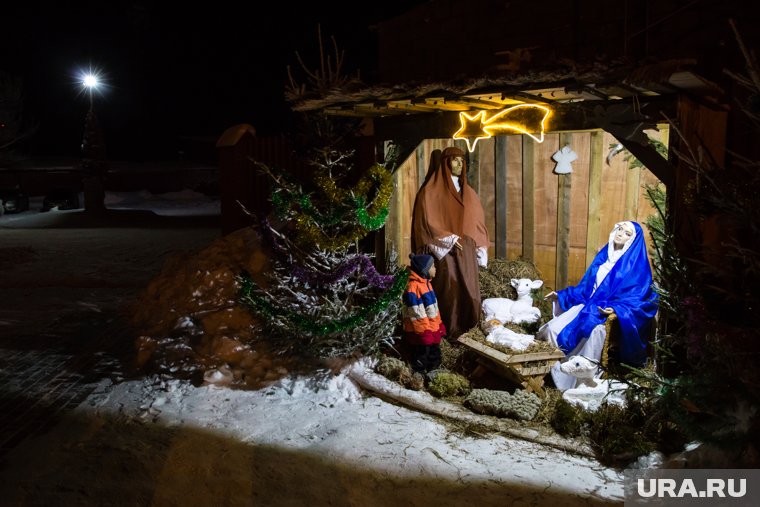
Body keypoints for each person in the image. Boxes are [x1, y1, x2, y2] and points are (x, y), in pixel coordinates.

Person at [537, 221, 659, 391]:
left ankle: (579, 383)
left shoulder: (637, 267)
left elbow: (639, 300)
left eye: (627, 233)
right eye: (620, 229)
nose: (620, 233)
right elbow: (586, 289)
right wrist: (563, 295)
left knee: (592, 333)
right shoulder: (604, 257)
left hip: (602, 313)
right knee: (552, 329)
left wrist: (616, 309)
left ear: (634, 240)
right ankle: (555, 373)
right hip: (587, 306)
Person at [411, 146, 490, 338]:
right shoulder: (431, 191)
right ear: (445, 163)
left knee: (471, 292)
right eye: (455, 160)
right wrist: (449, 238)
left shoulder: (468, 192)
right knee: (450, 292)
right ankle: (448, 331)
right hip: (446, 253)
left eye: (462, 161)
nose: (459, 164)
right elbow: (427, 221)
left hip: (467, 250)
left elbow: (476, 220)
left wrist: (481, 246)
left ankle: (470, 330)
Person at [403, 253, 446, 374]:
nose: (435, 268)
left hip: (431, 330)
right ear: (424, 270)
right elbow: (417, 314)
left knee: (434, 353)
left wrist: (438, 325)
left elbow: (433, 309)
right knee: (421, 356)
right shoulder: (413, 287)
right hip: (420, 334)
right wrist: (425, 333)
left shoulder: (427, 284)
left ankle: (434, 374)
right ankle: (418, 377)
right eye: (432, 266)